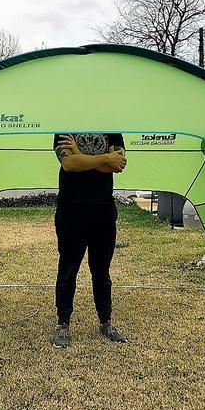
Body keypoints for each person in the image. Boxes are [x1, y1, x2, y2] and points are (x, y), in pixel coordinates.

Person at [51, 132, 129, 348]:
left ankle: (106, 322)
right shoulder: (64, 127)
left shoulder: (113, 128)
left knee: (102, 271)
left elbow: (117, 165)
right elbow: (69, 164)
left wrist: (80, 153)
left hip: (103, 210)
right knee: (68, 269)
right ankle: (63, 324)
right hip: (71, 210)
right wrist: (104, 158)